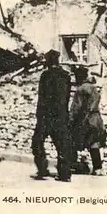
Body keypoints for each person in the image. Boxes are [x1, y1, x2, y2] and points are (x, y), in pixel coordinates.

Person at [31, 50, 73, 182]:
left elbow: (41, 97)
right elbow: (66, 98)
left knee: (37, 142)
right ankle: (64, 174)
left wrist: (39, 115)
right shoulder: (66, 76)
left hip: (46, 116)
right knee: (62, 145)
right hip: (61, 115)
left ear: (49, 61)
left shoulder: (45, 75)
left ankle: (42, 169)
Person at [69, 66, 105, 175]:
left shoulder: (81, 89)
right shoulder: (94, 88)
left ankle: (73, 165)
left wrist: (70, 120)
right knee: (94, 143)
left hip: (86, 119)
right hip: (96, 118)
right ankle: (97, 168)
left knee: (73, 140)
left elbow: (76, 107)